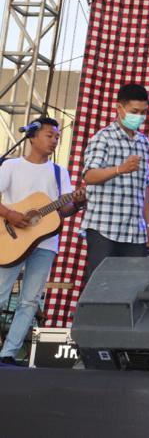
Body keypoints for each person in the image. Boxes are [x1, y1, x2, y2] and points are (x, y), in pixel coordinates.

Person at [0, 118, 84, 365]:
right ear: (33, 137)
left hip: (45, 244)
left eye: (57, 136)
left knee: (30, 300)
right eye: (50, 135)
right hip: (11, 239)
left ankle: (9, 353)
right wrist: (10, 214)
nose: (55, 140)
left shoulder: (59, 172)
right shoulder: (11, 166)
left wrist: (77, 203)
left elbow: (63, 210)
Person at [81, 83, 149, 282]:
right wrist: (119, 169)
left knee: (133, 287)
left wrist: (148, 225)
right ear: (119, 108)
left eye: (143, 112)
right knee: (101, 285)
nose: (139, 117)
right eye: (134, 112)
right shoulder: (103, 138)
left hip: (135, 230)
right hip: (105, 227)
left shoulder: (143, 142)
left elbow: (144, 187)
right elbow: (89, 175)